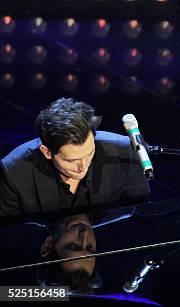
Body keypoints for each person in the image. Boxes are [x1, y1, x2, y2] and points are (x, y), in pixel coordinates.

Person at [0, 98, 149, 219]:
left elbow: (141, 216)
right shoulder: (13, 172)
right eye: (71, 160)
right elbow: (9, 237)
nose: (83, 166)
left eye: (90, 153)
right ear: (47, 152)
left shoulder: (125, 152)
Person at [37, 213, 101, 293]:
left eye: (73, 246)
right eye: (90, 248)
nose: (85, 234)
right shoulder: (116, 207)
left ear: (48, 245)